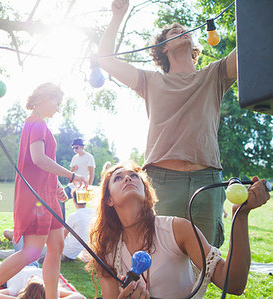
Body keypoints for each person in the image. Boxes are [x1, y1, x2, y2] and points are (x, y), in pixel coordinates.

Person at [98, 0, 238, 247]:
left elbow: (252, 45)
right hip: (161, 181)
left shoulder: (214, 74)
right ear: (162, 48)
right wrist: (117, 17)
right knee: (157, 254)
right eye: (173, 31)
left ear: (194, 44)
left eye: (183, 30)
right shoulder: (149, 80)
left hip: (207, 179)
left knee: (206, 262)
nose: (180, 30)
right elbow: (106, 61)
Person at [0, 83, 88, 299]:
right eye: (57, 102)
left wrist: (56, 187)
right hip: (35, 198)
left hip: (47, 196)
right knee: (31, 251)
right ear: (44, 98)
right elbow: (38, 159)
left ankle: (51, 297)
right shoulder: (36, 124)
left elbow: (44, 165)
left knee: (56, 245)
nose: (58, 108)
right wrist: (71, 176)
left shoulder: (39, 125)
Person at [88, 162, 270, 298]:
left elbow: (234, 283)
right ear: (108, 200)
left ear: (145, 192)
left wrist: (240, 215)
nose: (128, 178)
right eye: (118, 178)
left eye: (134, 176)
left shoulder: (178, 229)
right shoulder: (106, 250)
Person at [0, 259, 84, 299]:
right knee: (29, 249)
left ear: (25, 289)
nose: (33, 276)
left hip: (10, 271)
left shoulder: (16, 289)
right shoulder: (50, 290)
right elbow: (78, 296)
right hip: (31, 264)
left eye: (31, 280)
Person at [61, 138, 96, 219]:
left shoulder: (89, 157)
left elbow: (91, 173)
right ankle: (62, 223)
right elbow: (71, 172)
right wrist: (73, 169)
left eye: (76, 147)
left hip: (83, 186)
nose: (75, 150)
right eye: (73, 148)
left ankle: (83, 224)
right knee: (61, 199)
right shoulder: (74, 158)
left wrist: (88, 186)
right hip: (72, 185)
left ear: (82, 147)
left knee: (81, 209)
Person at [62, 194, 95, 262]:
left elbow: (62, 236)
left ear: (74, 201)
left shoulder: (73, 216)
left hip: (68, 253)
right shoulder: (93, 212)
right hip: (84, 249)